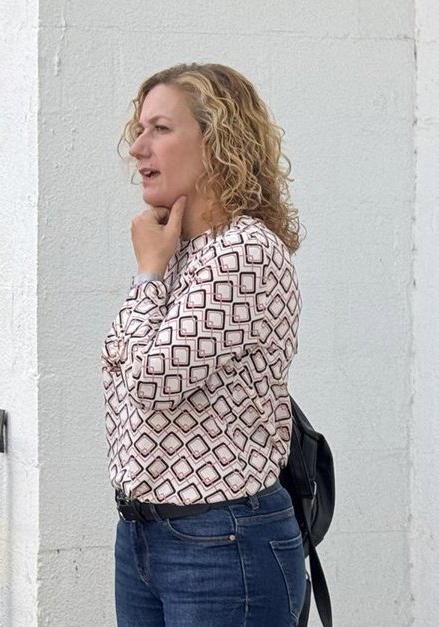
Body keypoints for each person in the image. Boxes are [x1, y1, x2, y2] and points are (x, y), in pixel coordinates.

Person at [101, 63, 306, 626]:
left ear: (219, 141)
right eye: (139, 130)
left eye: (160, 129)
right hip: (146, 534)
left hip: (220, 538)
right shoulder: (180, 249)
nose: (138, 147)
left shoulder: (244, 250)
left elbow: (150, 379)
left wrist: (146, 276)